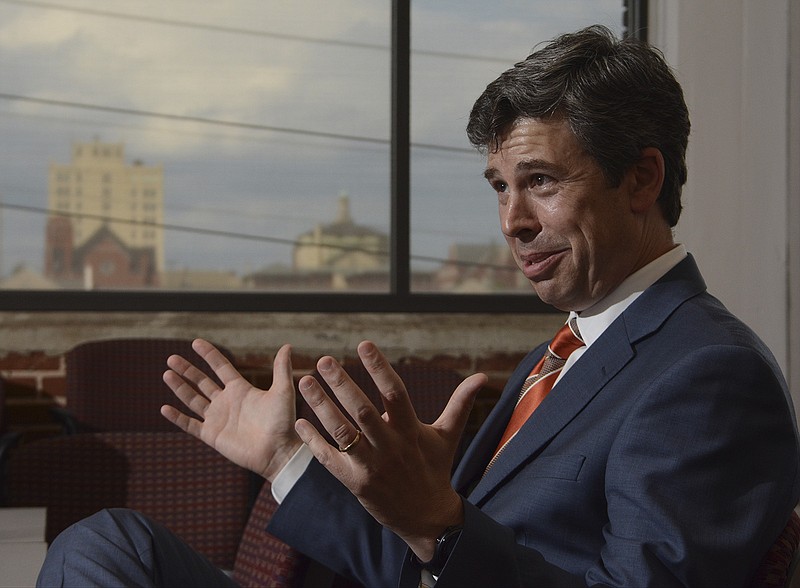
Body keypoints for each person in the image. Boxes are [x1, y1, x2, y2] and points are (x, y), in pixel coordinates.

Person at [38, 25, 799, 587]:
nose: (512, 222)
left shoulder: (709, 376)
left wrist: (445, 522)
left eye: (540, 181)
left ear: (641, 180)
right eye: (501, 187)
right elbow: (421, 566)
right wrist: (287, 460)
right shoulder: (563, 353)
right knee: (108, 545)